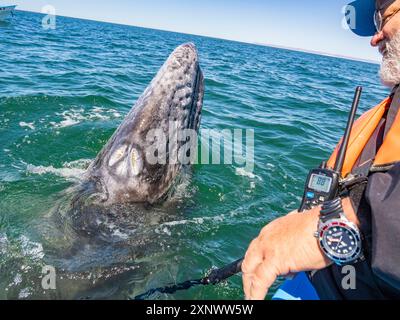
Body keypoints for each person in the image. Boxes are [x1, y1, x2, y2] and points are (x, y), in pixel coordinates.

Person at [242, 0, 400, 300]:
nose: (375, 38)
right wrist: (301, 229)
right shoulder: (384, 115)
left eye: (386, 19)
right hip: (322, 281)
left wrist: (332, 228)